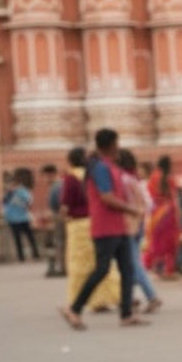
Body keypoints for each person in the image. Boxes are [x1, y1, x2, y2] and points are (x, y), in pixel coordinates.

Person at [60, 128, 146, 330]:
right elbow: (106, 197)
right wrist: (131, 209)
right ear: (110, 145)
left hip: (118, 226)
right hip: (105, 227)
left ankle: (126, 314)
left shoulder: (108, 166)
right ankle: (75, 308)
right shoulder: (99, 167)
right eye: (117, 143)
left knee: (127, 269)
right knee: (102, 269)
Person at [59, 146, 121, 312]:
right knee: (101, 263)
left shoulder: (70, 179)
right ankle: (106, 298)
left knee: (79, 265)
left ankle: (79, 301)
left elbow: (65, 205)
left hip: (77, 226)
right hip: (94, 222)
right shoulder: (93, 174)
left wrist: (64, 217)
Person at [118, 149, 161, 314]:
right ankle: (130, 298)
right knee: (130, 261)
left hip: (127, 225)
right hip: (138, 224)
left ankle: (150, 296)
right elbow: (149, 204)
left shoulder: (123, 180)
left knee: (132, 263)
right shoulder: (135, 180)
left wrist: (130, 211)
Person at [143, 155, 180, 279]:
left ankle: (147, 266)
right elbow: (174, 197)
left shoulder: (153, 177)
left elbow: (149, 194)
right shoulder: (170, 179)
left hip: (156, 213)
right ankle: (168, 270)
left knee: (155, 242)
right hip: (169, 212)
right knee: (170, 243)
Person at [3, 168, 38, 261]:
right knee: (17, 239)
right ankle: (21, 256)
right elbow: (4, 204)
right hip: (12, 219)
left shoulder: (22, 191)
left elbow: (29, 201)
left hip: (23, 218)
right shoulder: (8, 194)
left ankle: (36, 254)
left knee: (30, 237)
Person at [41, 164, 66, 276]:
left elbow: (60, 203)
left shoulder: (58, 186)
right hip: (56, 215)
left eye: (45, 176)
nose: (44, 179)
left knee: (60, 242)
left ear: (50, 174)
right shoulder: (55, 186)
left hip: (59, 216)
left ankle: (63, 267)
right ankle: (60, 266)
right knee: (57, 242)